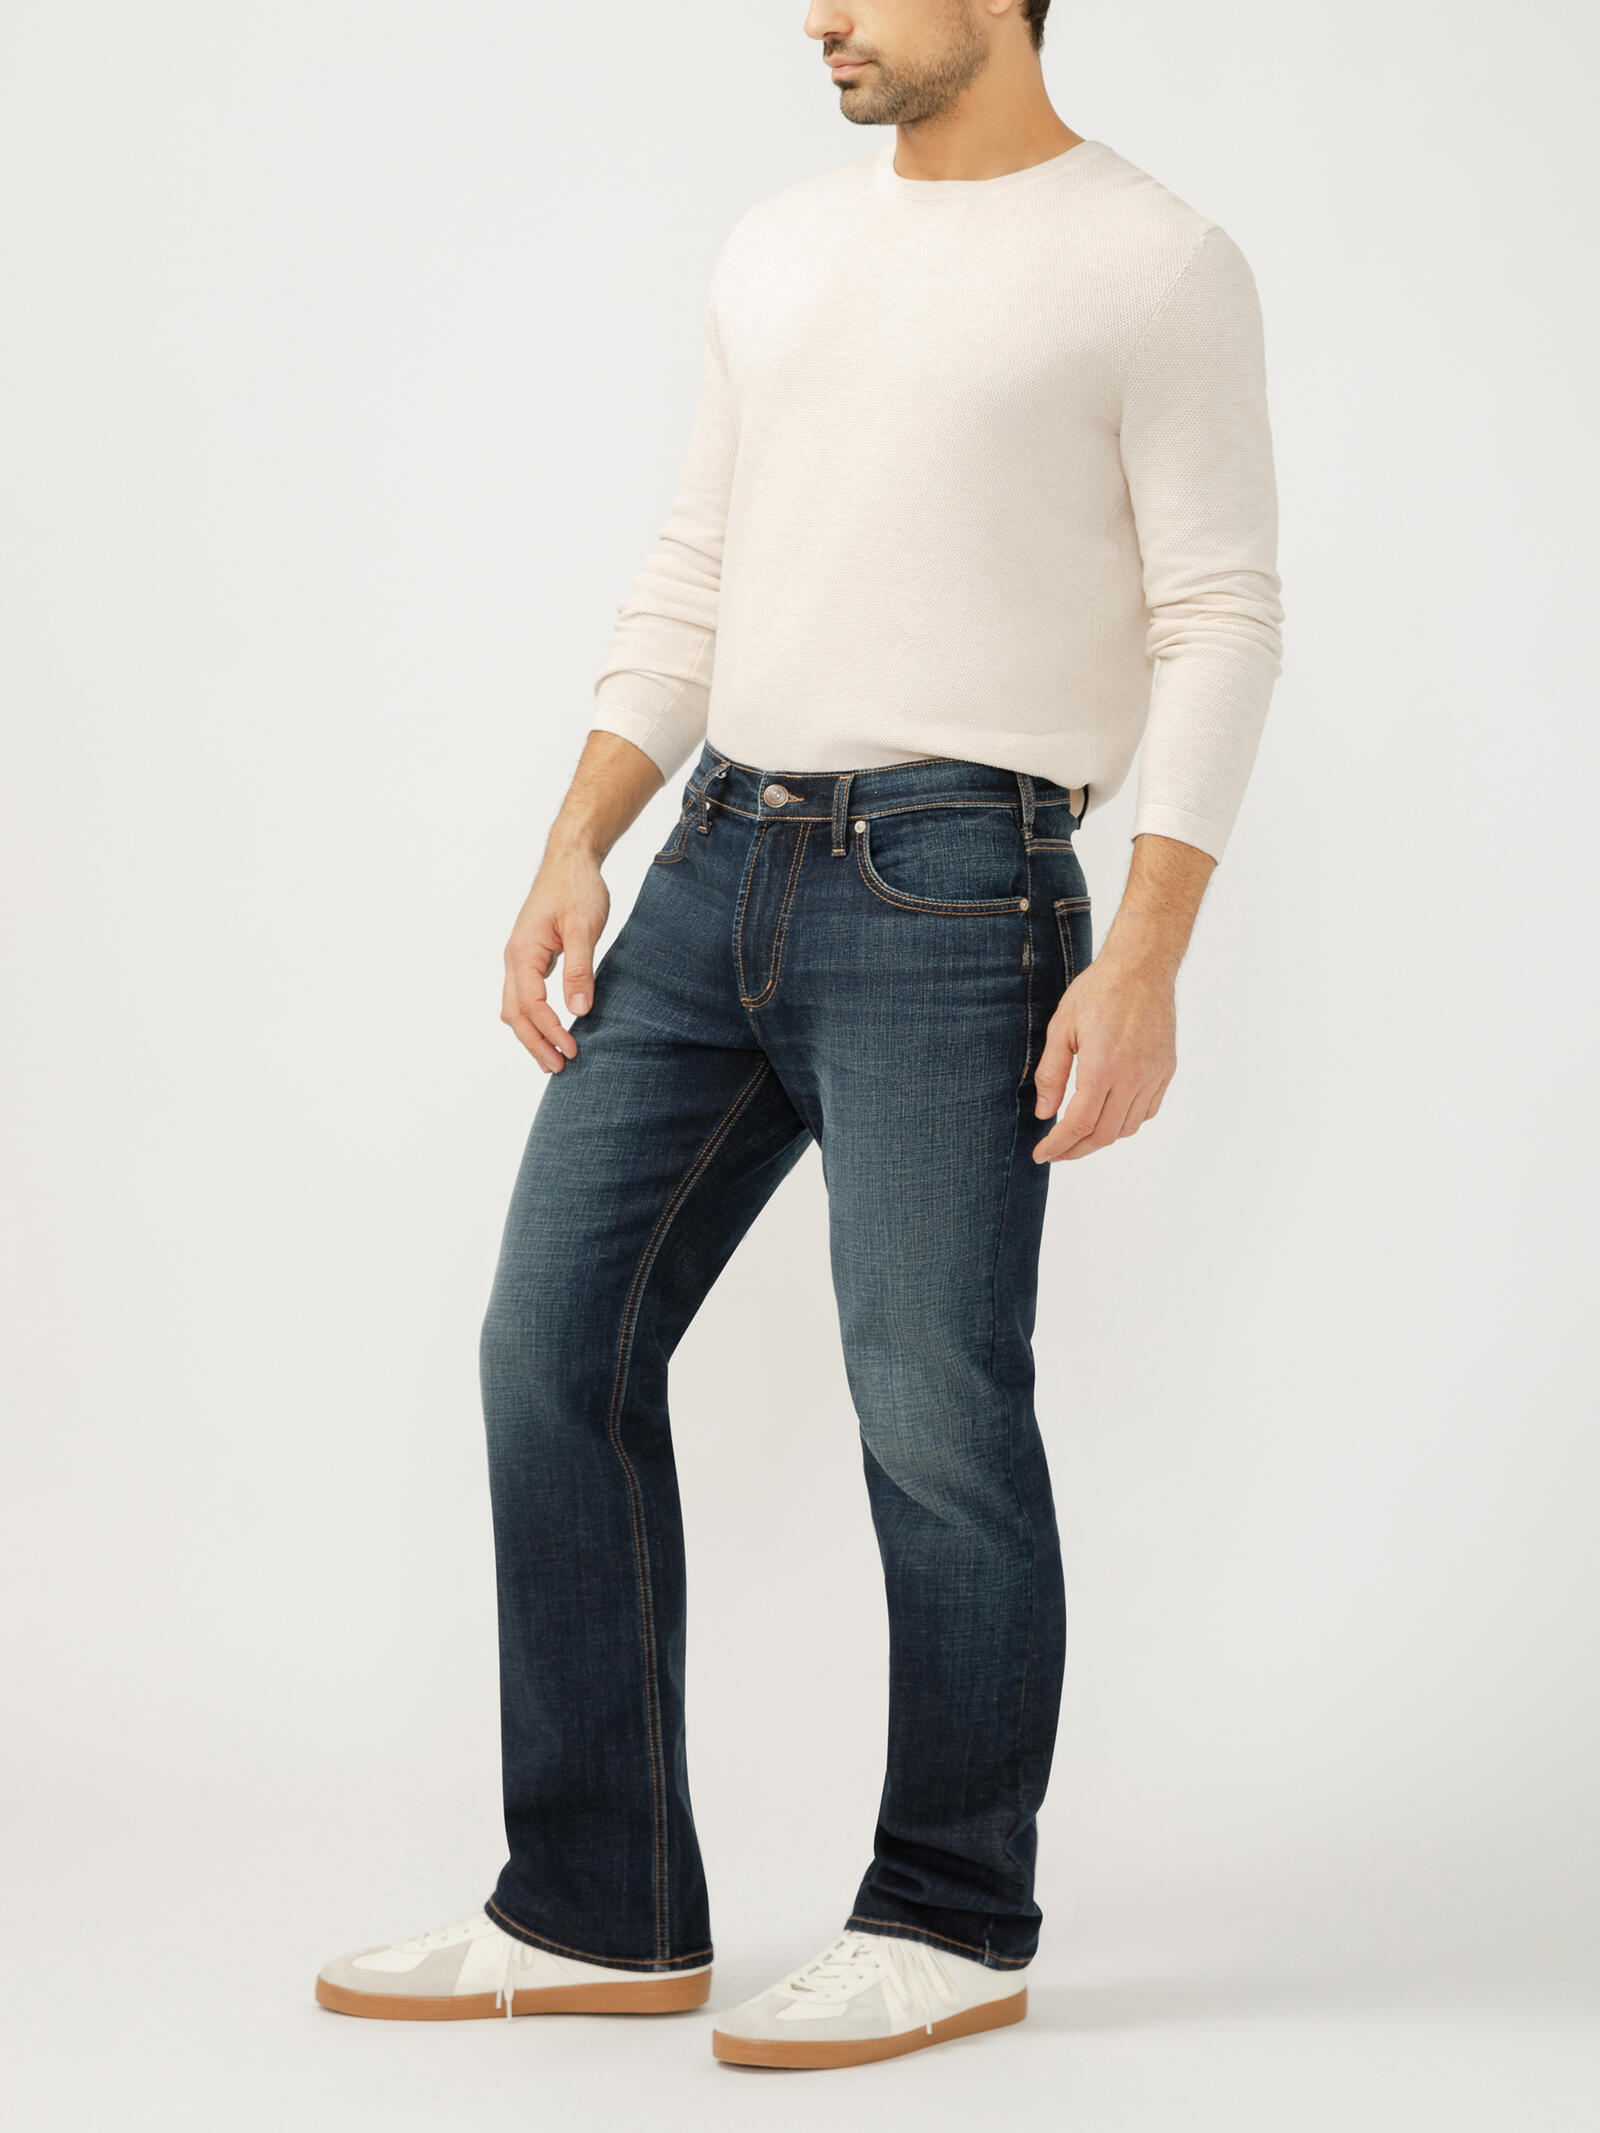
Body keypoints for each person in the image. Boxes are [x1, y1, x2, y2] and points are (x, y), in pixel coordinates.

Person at [315, 0, 1283, 2071]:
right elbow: (696, 563)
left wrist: (1147, 953)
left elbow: (1216, 612)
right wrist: (577, 834)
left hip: (959, 880)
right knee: (548, 1343)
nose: (820, 12)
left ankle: (950, 1911)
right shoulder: (778, 246)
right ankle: (595, 1903)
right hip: (710, 860)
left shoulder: (1152, 263)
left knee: (930, 1403)